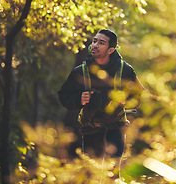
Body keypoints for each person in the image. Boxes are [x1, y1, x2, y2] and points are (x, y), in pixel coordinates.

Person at [58, 29, 142, 159]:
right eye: (95, 41)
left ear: (111, 50)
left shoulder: (125, 70)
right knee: (90, 175)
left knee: (112, 174)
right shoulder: (80, 71)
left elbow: (139, 95)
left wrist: (127, 100)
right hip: (90, 131)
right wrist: (78, 99)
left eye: (101, 43)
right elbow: (63, 95)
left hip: (116, 130)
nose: (95, 45)